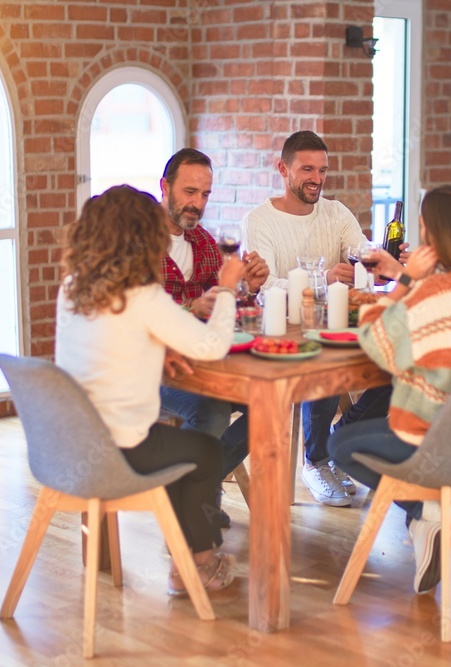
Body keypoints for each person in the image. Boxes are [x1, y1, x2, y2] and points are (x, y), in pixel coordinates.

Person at [55, 185, 243, 596]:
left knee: (182, 451)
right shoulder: (142, 295)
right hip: (121, 448)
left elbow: (105, 344)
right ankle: (199, 562)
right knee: (206, 451)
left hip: (70, 447)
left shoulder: (73, 287)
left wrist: (155, 352)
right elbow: (212, 346)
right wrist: (228, 287)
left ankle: (188, 562)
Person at [329, 185, 451, 594]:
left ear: (434, 235)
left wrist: (404, 282)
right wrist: (412, 280)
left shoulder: (430, 291)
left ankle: (424, 510)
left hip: (431, 441)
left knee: (340, 444)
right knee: (366, 425)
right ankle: (428, 514)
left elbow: (377, 344)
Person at [242, 130, 391, 507]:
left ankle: (340, 439)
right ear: (283, 169)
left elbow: (361, 250)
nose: (317, 179)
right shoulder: (259, 220)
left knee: (394, 362)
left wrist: (384, 257)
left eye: (322, 170)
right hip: (282, 329)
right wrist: (321, 280)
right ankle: (317, 460)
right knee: (326, 360)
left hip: (334, 322)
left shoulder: (336, 212)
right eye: (307, 169)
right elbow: (265, 285)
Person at [157, 149, 269, 527]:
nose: (197, 204)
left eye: (205, 195)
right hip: (155, 367)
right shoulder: (138, 244)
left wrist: (247, 290)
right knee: (213, 411)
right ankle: (197, 500)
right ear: (165, 187)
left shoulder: (204, 242)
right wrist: (195, 307)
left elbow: (226, 313)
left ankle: (193, 488)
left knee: (267, 403)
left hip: (201, 362)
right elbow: (143, 321)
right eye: (189, 192)